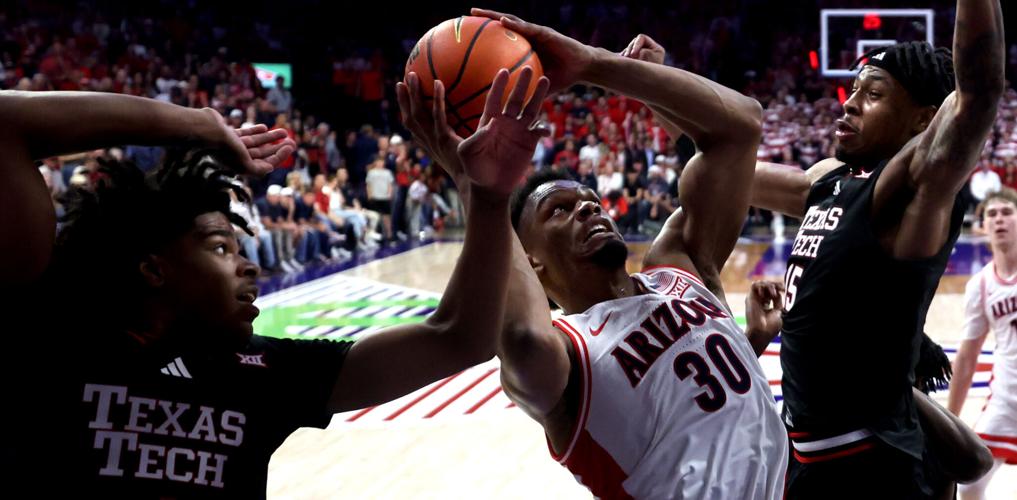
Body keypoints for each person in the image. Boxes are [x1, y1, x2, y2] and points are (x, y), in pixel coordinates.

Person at [0, 68, 547, 497]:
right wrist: (199, 125)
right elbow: (9, 123)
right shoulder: (50, 336)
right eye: (220, 247)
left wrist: (488, 196)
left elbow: (459, 336)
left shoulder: (260, 373)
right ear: (153, 268)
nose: (249, 265)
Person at [400, 13, 788, 498]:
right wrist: (476, 186)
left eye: (590, 200)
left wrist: (593, 65)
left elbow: (741, 125)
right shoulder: (565, 353)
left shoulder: (680, 267)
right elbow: (520, 336)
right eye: (559, 211)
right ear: (531, 261)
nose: (586, 206)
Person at [738, 0, 1004, 496]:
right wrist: (651, 85)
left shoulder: (916, 190)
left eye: (873, 94)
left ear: (923, 121)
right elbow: (721, 174)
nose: (849, 102)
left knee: (961, 462)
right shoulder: (828, 180)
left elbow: (979, 94)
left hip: (866, 464)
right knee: (963, 459)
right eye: (854, 89)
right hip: (803, 449)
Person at [949, 188, 1017, 499]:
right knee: (969, 487)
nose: (999, 219)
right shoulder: (981, 284)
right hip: (1006, 399)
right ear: (982, 226)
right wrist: (951, 419)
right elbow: (967, 357)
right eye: (992, 214)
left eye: (1007, 212)